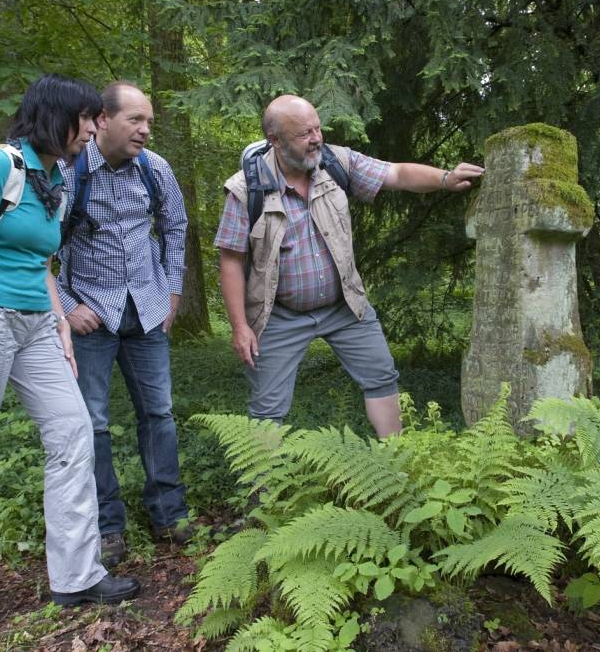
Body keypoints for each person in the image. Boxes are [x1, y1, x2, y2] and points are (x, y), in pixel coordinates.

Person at [0, 74, 140, 637]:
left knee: (72, 433)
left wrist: (59, 325)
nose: (92, 129)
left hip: (38, 325)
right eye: (86, 119)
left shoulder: (54, 178)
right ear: (56, 115)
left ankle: (77, 575)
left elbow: (41, 263)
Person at [214, 95, 484, 437]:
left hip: (344, 305)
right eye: (304, 134)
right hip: (278, 315)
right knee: (267, 409)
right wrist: (240, 327)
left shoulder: (335, 162)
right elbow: (231, 261)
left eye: (317, 128)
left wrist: (445, 178)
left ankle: (400, 464)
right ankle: (261, 489)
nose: (316, 138)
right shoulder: (244, 190)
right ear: (275, 141)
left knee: (382, 377)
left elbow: (397, 174)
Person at [57, 81, 191, 568]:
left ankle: (169, 515)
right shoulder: (69, 173)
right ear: (104, 120)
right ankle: (108, 526)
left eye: (149, 121)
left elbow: (175, 227)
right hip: (90, 317)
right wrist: (68, 306)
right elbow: (41, 247)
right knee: (92, 423)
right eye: (136, 119)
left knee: (159, 414)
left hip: (148, 310)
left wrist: (172, 291)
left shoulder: (156, 171)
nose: (145, 129)